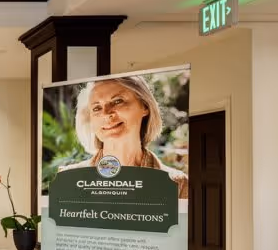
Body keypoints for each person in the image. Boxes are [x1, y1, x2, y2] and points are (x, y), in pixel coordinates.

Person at [59, 75, 188, 198]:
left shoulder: (177, 185)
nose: (106, 113)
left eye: (117, 101)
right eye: (97, 108)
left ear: (145, 106)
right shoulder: (67, 181)